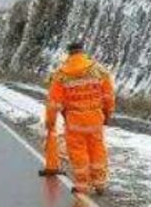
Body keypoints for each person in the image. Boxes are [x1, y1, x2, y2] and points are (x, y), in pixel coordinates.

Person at [45, 41, 115, 195]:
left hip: (74, 121)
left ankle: (83, 185)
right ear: (83, 52)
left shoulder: (61, 75)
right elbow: (109, 96)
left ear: (69, 54)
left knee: (78, 152)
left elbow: (54, 103)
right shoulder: (99, 70)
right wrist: (108, 114)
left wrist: (50, 122)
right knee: (97, 149)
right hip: (96, 119)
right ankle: (100, 183)